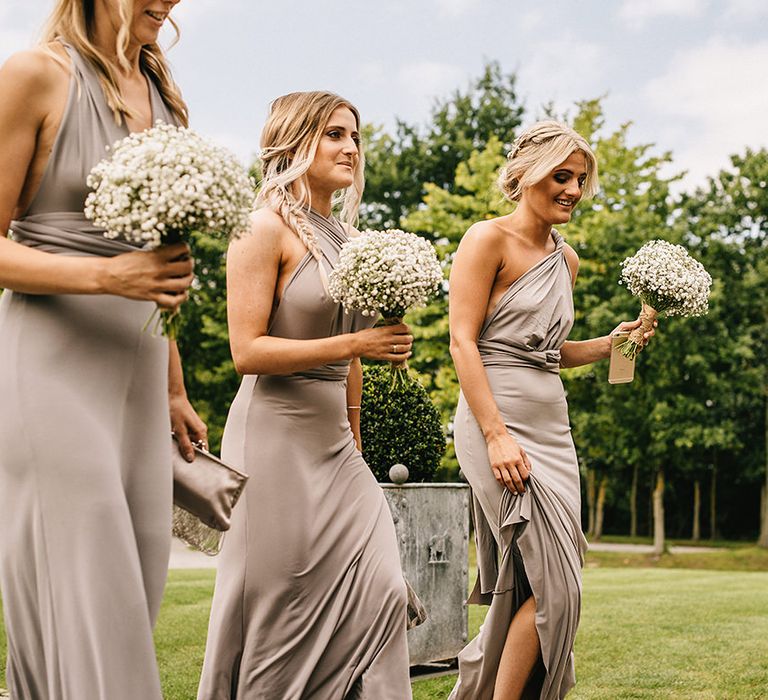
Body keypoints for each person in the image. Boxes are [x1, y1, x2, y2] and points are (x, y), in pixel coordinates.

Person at [0, 1, 206, 697]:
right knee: (98, 600)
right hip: (50, 368)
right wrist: (107, 276)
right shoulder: (34, 75)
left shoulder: (166, 96)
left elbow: (162, 263)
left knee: (136, 585)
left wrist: (175, 387)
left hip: (140, 377)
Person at [197, 91, 413, 700]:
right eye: (335, 135)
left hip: (337, 446)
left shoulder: (345, 237)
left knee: (383, 589)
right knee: (280, 608)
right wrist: (357, 346)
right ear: (295, 143)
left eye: (355, 137)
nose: (351, 148)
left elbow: (351, 354)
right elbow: (248, 352)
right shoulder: (261, 227)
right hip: (274, 436)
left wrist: (357, 441)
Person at [448, 120, 655, 699]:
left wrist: (616, 343)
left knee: (540, 582)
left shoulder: (567, 260)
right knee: (553, 586)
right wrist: (495, 436)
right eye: (561, 175)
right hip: (498, 423)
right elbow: (463, 342)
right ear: (524, 174)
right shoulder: (485, 240)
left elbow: (550, 353)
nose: (573, 189)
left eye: (580, 179)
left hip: (553, 431)